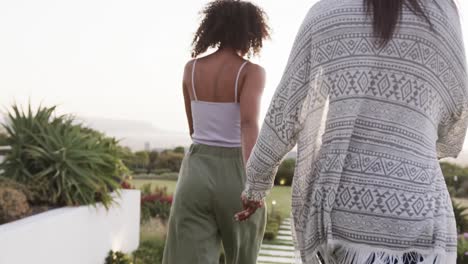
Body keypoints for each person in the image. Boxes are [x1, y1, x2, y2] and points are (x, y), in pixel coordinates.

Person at [235, 0, 467, 263]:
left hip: (345, 209)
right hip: (422, 208)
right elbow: (456, 114)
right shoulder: (441, 12)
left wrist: (255, 185)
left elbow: (285, 112)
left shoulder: (326, 11)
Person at [162, 1, 270, 263]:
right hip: (235, 171)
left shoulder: (192, 68)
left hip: (195, 171)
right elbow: (248, 125)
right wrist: (254, 185)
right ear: (250, 32)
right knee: (243, 255)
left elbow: (193, 129)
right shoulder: (251, 72)